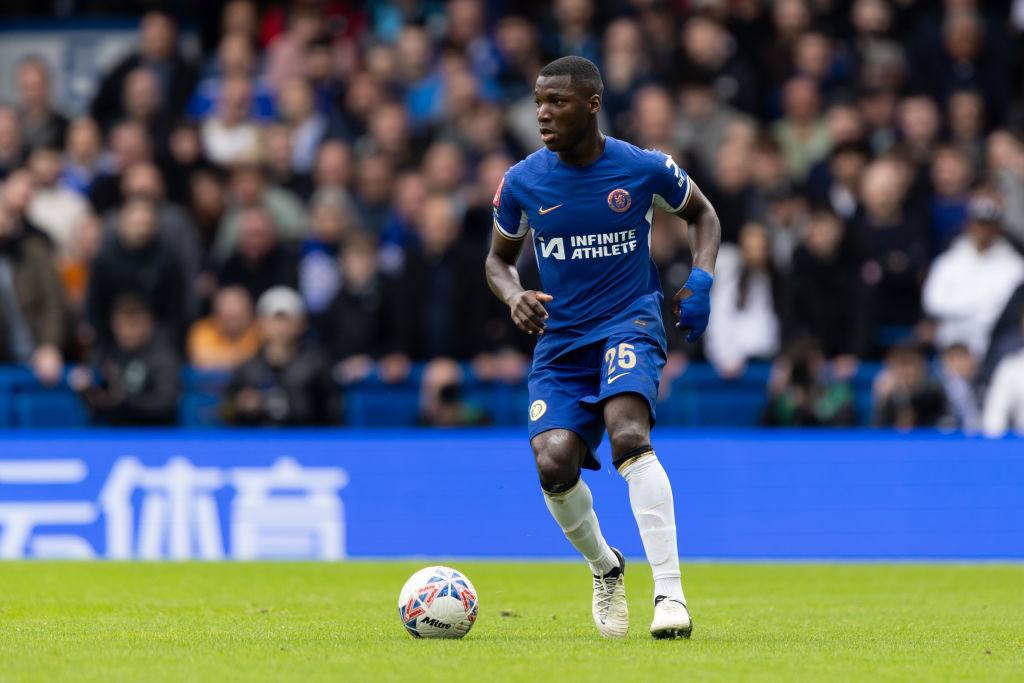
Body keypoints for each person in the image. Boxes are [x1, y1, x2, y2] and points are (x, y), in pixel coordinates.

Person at [485, 56, 720, 639]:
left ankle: (670, 595)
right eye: (539, 101)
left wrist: (703, 276)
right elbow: (496, 260)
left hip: (628, 320)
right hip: (561, 340)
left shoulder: (641, 168)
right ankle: (605, 567)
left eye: (557, 102)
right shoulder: (522, 181)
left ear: (592, 105)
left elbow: (704, 214)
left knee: (628, 434)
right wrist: (513, 293)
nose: (543, 113)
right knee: (553, 461)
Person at [221, 286, 341, 426]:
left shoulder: (317, 365)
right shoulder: (247, 369)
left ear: (301, 323)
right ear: (261, 323)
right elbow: (225, 413)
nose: (280, 327)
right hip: (259, 443)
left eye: (286, 320)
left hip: (305, 441)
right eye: (274, 319)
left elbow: (332, 412)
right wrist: (239, 405)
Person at [70, 293, 180, 426]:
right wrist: (86, 392)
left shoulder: (163, 356)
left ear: (148, 322)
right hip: (117, 437)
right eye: (120, 325)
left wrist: (125, 400)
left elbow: (166, 405)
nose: (126, 331)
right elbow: (101, 406)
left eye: (132, 324)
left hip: (156, 437)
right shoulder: (111, 354)